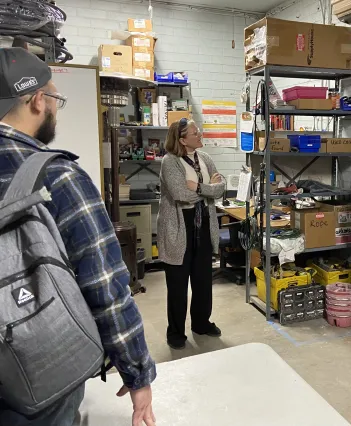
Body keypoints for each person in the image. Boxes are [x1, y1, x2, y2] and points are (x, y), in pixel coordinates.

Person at [0, 48, 156, 426]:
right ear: (37, 100)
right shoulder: (57, 175)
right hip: (38, 372)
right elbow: (105, 285)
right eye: (54, 98)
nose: (55, 108)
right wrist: (137, 372)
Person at [158, 118, 225, 350]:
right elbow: (180, 194)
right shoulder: (170, 162)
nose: (200, 135)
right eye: (196, 133)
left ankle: (201, 323)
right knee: (177, 284)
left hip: (204, 224)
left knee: (203, 280)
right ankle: (175, 333)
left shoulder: (205, 159)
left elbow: (221, 187)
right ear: (182, 139)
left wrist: (196, 188)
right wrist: (208, 190)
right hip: (179, 228)